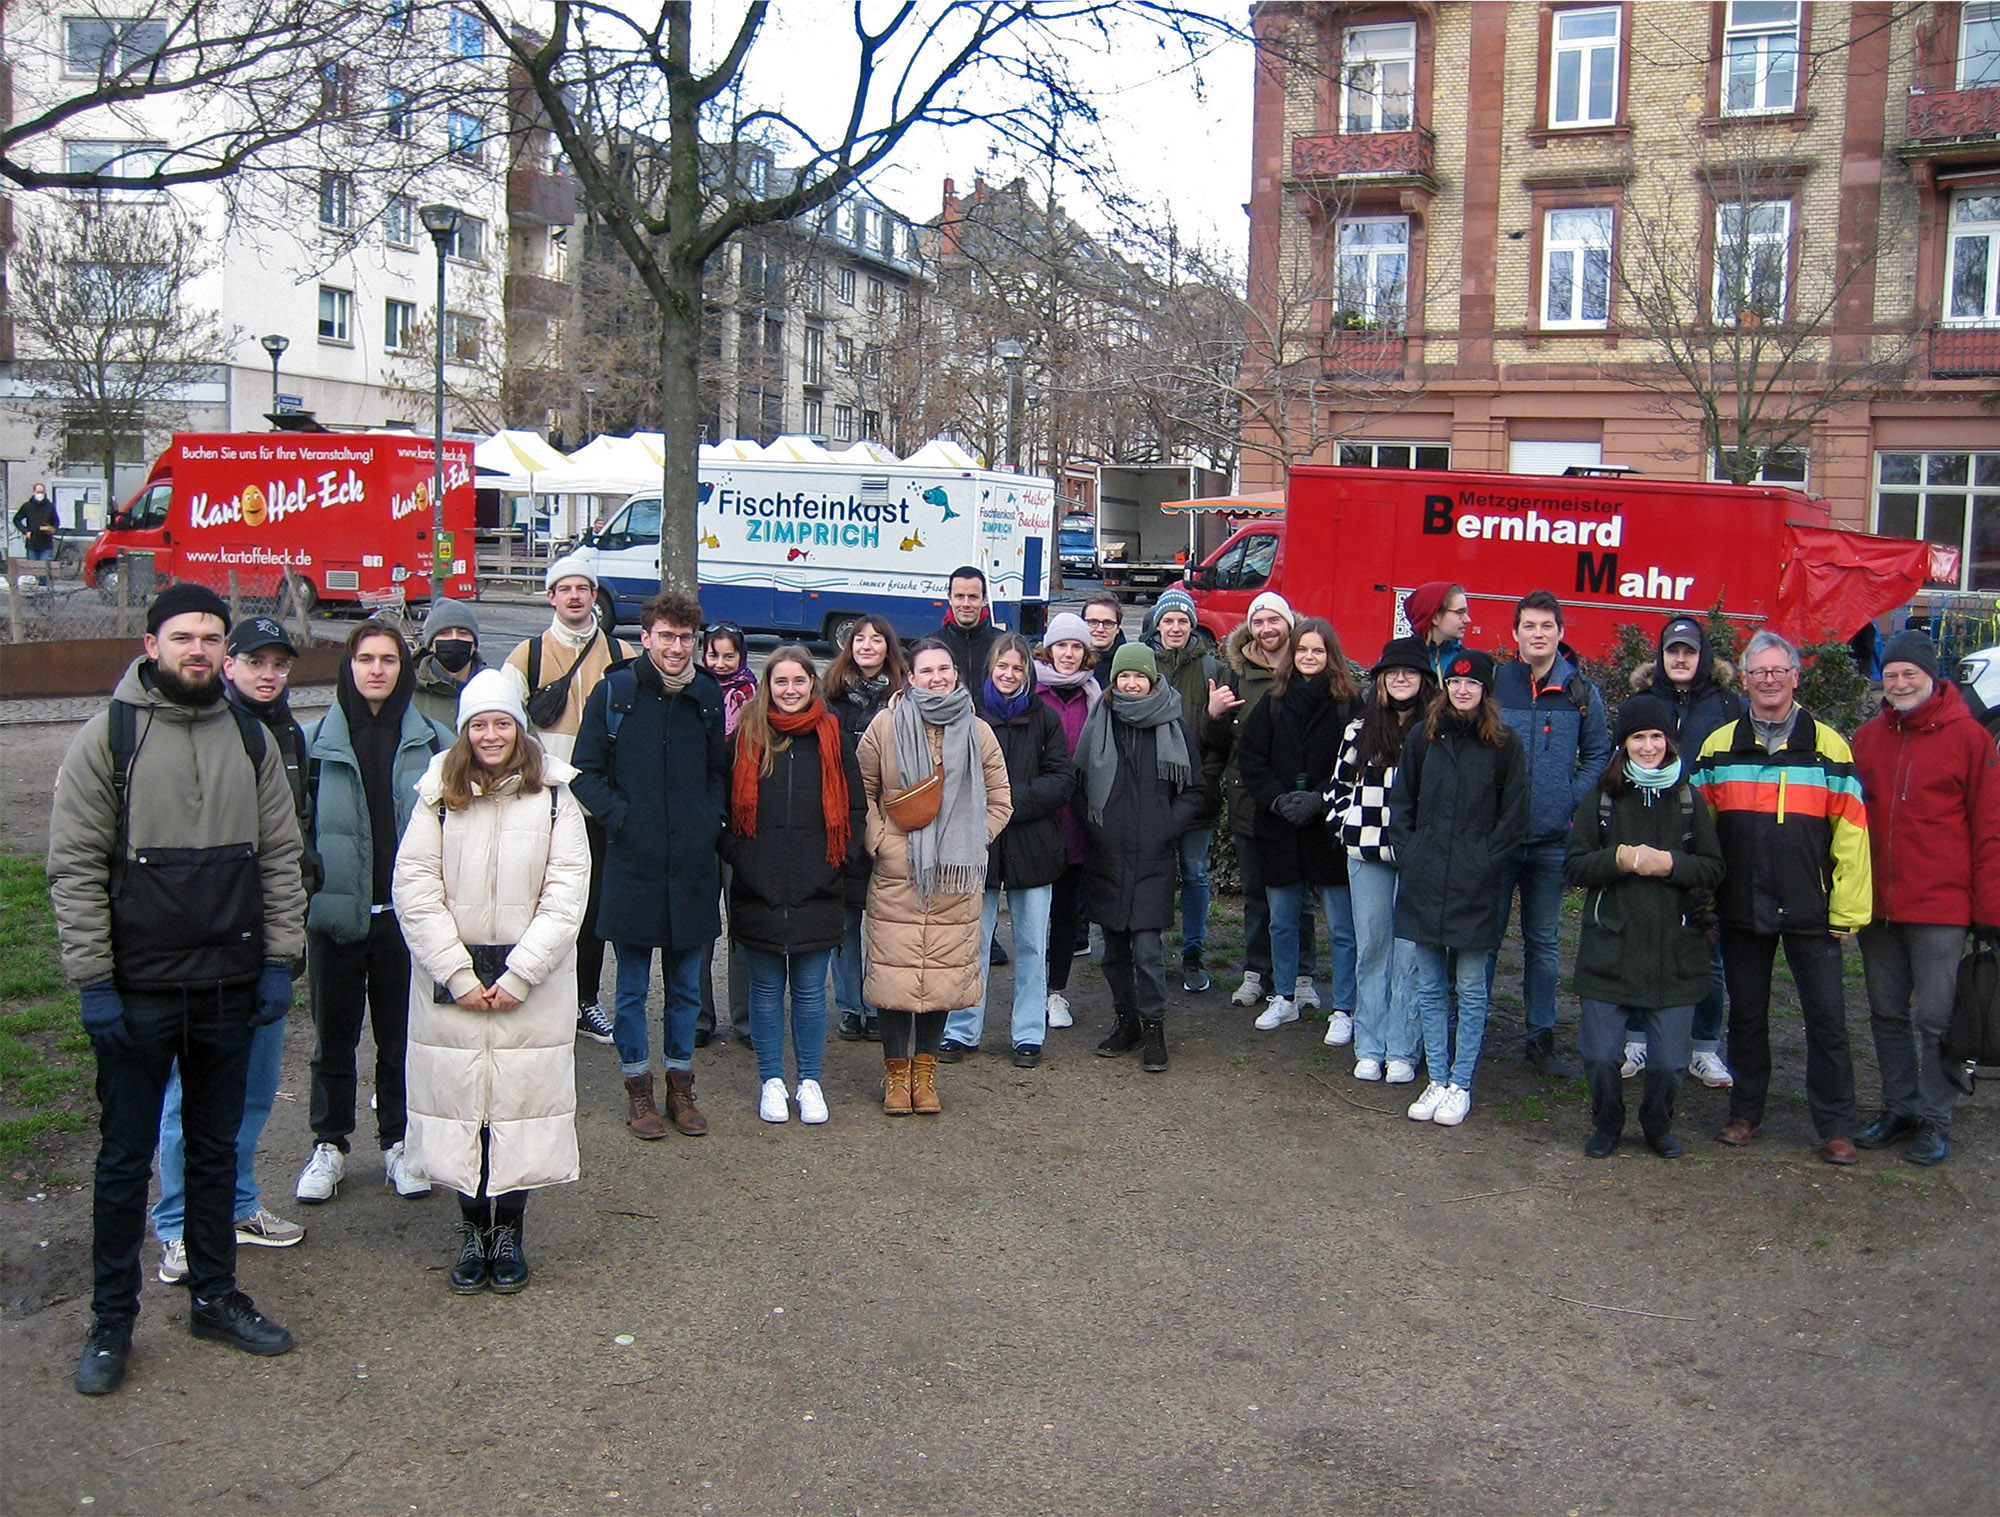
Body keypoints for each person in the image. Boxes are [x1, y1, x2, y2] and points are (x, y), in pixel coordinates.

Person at [49, 582, 305, 1395]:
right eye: (183, 636)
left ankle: (215, 1296)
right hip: (137, 991)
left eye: (209, 637)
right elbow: (77, 869)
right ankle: (111, 1322)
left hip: (229, 987)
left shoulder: (250, 738)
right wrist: (93, 981)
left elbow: (279, 858)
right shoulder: (108, 739)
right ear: (152, 641)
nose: (197, 649)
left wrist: (277, 960)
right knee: (125, 1162)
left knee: (213, 1150)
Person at [393, 669, 589, 1293]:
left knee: (519, 1108)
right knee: (459, 1109)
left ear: (518, 726)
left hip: (528, 986)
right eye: (479, 724)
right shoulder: (436, 797)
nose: (491, 734)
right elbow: (415, 889)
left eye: (501, 721)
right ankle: (472, 1228)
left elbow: (566, 894)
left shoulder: (556, 798)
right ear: (464, 731)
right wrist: (453, 971)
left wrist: (522, 973)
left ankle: (510, 1232)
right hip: (452, 983)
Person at [152, 616, 316, 1284]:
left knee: (253, 1088)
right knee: (186, 1094)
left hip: (269, 940)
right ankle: (176, 1224)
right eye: (256, 661)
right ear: (229, 664)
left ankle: (238, 1203)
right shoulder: (205, 730)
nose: (268, 674)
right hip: (205, 944)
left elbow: (293, 837)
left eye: (279, 663)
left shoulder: (288, 734)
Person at [1693, 630, 1869, 1164]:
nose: (1769, 681)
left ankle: (1836, 1125)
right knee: (1746, 1016)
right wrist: (1703, 900)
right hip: (1741, 905)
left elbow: (1853, 836)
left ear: (1796, 676)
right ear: (1744, 680)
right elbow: (1700, 834)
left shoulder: (1830, 746)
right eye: (1758, 672)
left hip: (1812, 908)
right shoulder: (1718, 746)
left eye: (1779, 671)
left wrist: (1848, 910)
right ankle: (1745, 1113)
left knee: (1828, 1020)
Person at [296, 620, 454, 1206]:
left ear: (403, 668)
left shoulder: (434, 741)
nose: (377, 670)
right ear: (349, 665)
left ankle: (398, 1142)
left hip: (404, 919)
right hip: (336, 915)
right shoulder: (312, 742)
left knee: (400, 1039)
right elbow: (299, 829)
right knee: (332, 1038)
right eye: (366, 658)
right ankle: (329, 1144)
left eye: (389, 659)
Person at [570, 592, 728, 1140]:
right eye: (667, 636)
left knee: (687, 987)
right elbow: (584, 771)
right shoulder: (615, 692)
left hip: (690, 865)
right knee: (631, 988)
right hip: (632, 863)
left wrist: (709, 819)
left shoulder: (706, 695)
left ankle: (680, 1087)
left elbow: (718, 771)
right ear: (647, 638)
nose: (677, 647)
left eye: (686, 638)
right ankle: (638, 1088)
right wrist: (623, 820)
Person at [1851, 630, 2000, 1167]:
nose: (1899, 683)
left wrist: (1989, 911)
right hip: (1878, 905)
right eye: (1890, 675)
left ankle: (1936, 1118)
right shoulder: (1866, 740)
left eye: (1909, 673)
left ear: (1931, 676)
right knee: (1886, 1012)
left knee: (1938, 1018)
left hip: (1941, 905)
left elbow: (1989, 828)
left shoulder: (1970, 740)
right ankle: (1899, 1106)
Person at [1566, 695, 1727, 1159]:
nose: (1649, 745)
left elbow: (1713, 868)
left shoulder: (1687, 798)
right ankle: (1607, 1122)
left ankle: (1657, 1125)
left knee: (1672, 1063)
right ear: (1624, 744)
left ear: (1669, 742)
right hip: (1610, 948)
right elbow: (1575, 867)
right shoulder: (1602, 796)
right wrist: (1618, 859)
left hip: (1675, 949)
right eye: (1639, 736)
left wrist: (1670, 865)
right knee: (1599, 1056)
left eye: (1657, 736)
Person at [857, 638, 1012, 1114]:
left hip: (955, 875)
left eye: (944, 669)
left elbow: (1000, 799)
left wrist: (968, 841)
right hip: (898, 872)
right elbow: (862, 789)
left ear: (956, 674)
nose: (936, 677)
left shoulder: (979, 731)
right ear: (910, 677)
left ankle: (925, 1076)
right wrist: (882, 841)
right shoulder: (885, 724)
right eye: (926, 670)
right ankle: (895, 1076)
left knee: (942, 976)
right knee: (893, 976)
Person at [723, 646, 867, 1123]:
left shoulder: (833, 736)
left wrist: (837, 862)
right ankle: (770, 1079)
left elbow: (855, 807)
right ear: (769, 686)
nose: (790, 690)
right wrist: (742, 859)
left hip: (818, 885)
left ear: (813, 684)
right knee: (765, 991)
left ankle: (809, 1081)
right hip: (758, 885)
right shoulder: (746, 736)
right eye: (780, 682)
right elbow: (723, 807)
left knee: (809, 991)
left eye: (799, 681)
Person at [1387, 649, 1529, 1128]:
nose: (1463, 690)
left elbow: (1514, 816)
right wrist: (1410, 852)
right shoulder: (1423, 738)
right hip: (1426, 878)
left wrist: (1486, 862)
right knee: (1429, 985)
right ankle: (1437, 1076)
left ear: (1486, 690)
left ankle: (1461, 1082)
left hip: (1476, 883)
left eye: (1472, 684)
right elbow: (1401, 801)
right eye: (1455, 683)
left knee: (1470, 987)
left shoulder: (1506, 745)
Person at [504, 553, 635, 1046]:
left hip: (600, 805)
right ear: (551, 596)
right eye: (566, 588)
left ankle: (583, 1001)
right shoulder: (527, 655)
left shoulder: (621, 654)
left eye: (584, 587)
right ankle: (533, 993)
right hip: (546, 802)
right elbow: (507, 726)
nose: (576, 596)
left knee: (592, 908)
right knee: (536, 904)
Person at [1491, 590, 1610, 1077]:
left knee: (1542, 942)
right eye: (1529, 626)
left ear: (1560, 632)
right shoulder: (1497, 684)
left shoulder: (1581, 691)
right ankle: (1469, 1026)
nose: (1537, 634)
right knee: (1484, 937)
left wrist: (1568, 800)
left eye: (1547, 626)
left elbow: (1600, 753)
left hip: (1550, 841)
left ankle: (1540, 1037)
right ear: (1515, 633)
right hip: (1499, 839)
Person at [942, 635, 1075, 1067]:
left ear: (1027, 672)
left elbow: (1061, 780)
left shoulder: (1046, 719)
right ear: (990, 668)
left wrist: (1007, 801)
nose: (1009, 674)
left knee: (1033, 946)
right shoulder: (967, 715)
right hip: (976, 848)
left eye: (1018, 668)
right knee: (971, 944)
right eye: (1002, 666)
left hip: (1032, 847)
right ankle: (961, 1029)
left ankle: (1028, 1032)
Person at [1623, 615, 1744, 1088]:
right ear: (1661, 655)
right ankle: (1635, 1039)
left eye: (1689, 651)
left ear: (1703, 656)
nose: (1680, 659)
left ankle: (1704, 1047)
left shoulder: (1729, 704)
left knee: (1705, 945)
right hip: (1644, 826)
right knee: (1638, 938)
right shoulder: (1641, 703)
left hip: (1704, 833)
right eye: (1672, 650)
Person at [1075, 643, 1204, 1071]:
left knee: (1147, 951)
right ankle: (1125, 1020)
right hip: (1108, 854)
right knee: (1112, 950)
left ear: (1152, 679)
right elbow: (1079, 783)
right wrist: (1097, 826)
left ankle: (1154, 1027)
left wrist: (1166, 825)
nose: (1131, 684)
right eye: (1124, 677)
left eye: (1138, 677)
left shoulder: (1173, 725)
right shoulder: (1100, 723)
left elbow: (1195, 790)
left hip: (1153, 857)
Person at [1237, 617, 1362, 1038]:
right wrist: (1278, 799)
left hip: (1329, 829)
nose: (1310, 657)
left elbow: (1359, 765)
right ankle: (1284, 996)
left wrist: (1321, 799)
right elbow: (1251, 760)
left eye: (1318, 651)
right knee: (1282, 920)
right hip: (1280, 826)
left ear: (1332, 656)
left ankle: (1345, 1006)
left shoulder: (1350, 705)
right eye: (1303, 650)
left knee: (1342, 926)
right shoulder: (1272, 702)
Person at [1328, 637, 1436, 1084]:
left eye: (1409, 672)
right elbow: (1336, 789)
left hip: (1417, 856)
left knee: (1411, 955)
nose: (1400, 679)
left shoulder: (1437, 730)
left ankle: (1404, 1048)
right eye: (1392, 673)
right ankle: (1369, 1045)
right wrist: (1346, 825)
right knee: (1372, 949)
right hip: (1367, 852)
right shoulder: (1360, 729)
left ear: (1425, 680)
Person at [1204, 591, 1317, 1013]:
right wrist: (1213, 716)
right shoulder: (1235, 674)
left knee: (1299, 896)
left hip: (1298, 803)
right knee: (1256, 894)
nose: (1267, 629)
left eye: (1274, 620)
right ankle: (1257, 972)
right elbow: (1217, 744)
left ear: (1289, 623)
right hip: (1249, 799)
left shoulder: (1308, 664)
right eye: (1259, 622)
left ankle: (1302, 976)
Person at [825, 615, 908, 1042]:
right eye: (860, 638)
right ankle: (849, 1006)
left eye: (877, 639)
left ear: (888, 647)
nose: (868, 646)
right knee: (845, 922)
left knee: (881, 920)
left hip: (888, 818)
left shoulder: (904, 695)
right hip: (841, 816)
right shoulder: (831, 694)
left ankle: (879, 1005)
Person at [1143, 588, 1223, 991]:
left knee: (1194, 874)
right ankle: (1149, 947)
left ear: (1192, 625)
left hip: (1196, 792)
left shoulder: (1211, 667)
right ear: (1157, 625)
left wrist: (1201, 781)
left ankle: (1193, 951)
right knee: (1154, 873)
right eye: (1168, 620)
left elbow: (1220, 735)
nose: (1175, 627)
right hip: (1151, 792)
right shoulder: (1143, 664)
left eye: (1182, 620)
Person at [1033, 612, 1101, 1029]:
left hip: (1077, 822)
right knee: (1031, 913)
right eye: (1062, 646)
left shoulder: (1096, 695)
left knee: (1065, 913)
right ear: (1049, 649)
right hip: (1039, 821)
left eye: (1077, 647)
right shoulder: (1032, 693)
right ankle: (1030, 988)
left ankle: (1055, 991)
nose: (1069, 654)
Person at [698, 621, 754, 1047]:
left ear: (742, 657)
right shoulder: (694, 693)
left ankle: (746, 1019)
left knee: (744, 924)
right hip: (700, 820)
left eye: (728, 655)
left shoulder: (755, 698)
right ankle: (698, 1016)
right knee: (699, 925)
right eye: (713, 655)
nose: (719, 663)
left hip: (742, 822)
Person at [411, 598, 488, 729]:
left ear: (474, 645)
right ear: (431, 645)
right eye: (444, 633)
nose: (454, 638)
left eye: (463, 633)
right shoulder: (408, 693)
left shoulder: (495, 688)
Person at [935, 565, 1001, 689]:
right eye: (959, 596)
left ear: (984, 600)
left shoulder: (1001, 644)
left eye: (973, 597)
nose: (966, 604)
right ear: (950, 598)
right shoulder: (933, 645)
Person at [1402, 581, 1468, 680]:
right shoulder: (1398, 660)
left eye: (1466, 612)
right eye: (1459, 612)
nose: (1467, 620)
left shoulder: (1469, 661)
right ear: (1435, 617)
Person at [15, 481, 58, 583]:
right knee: (32, 572)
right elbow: (17, 519)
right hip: (32, 544)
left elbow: (56, 522)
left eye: (42, 492)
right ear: (34, 492)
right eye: (38, 492)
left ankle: (43, 593)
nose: (40, 494)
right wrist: (25, 531)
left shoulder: (50, 506)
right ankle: (32, 592)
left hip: (46, 544)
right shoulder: (27, 506)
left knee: (44, 572)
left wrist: (50, 529)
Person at [1081, 593, 1128, 660]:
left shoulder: (1129, 662)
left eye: (1108, 623)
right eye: (1093, 622)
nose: (1100, 629)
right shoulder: (1068, 659)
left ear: (1118, 628)